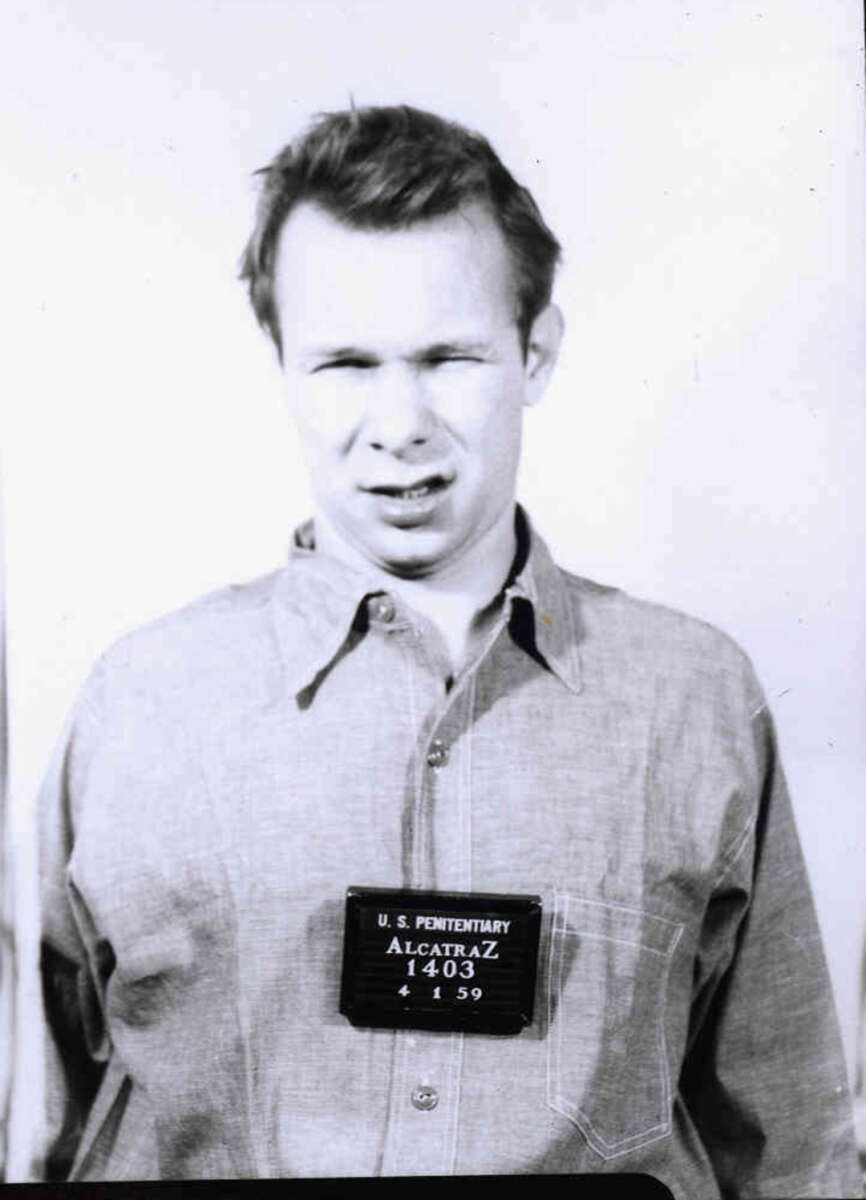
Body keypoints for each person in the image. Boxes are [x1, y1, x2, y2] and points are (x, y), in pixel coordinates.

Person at [36, 104, 861, 1195]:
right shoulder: (137, 703)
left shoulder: (696, 696)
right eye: (344, 364)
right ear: (280, 364)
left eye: (447, 357)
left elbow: (791, 1145)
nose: (399, 423)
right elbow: (38, 1126)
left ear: (535, 353)